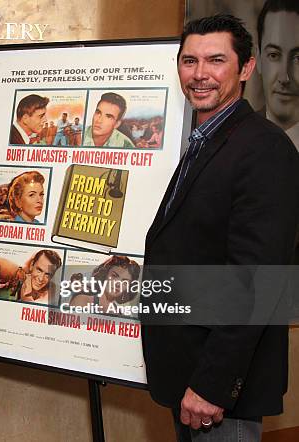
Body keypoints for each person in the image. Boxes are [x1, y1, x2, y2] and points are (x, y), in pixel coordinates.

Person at [140, 15, 299, 442]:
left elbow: (256, 281)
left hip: (219, 393)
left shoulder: (263, 148)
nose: (199, 74)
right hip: (189, 373)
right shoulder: (206, 140)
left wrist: (212, 384)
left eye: (215, 60)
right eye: (189, 61)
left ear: (246, 69)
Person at [256, 0, 299, 149]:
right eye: (274, 55)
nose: (284, 78)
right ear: (258, 60)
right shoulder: (231, 139)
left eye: (298, 58)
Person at [69, 256, 140, 317]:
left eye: (125, 282)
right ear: (104, 275)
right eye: (114, 276)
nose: (118, 284)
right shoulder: (82, 300)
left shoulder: (120, 314)